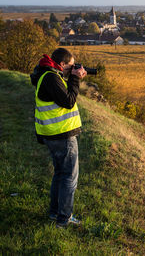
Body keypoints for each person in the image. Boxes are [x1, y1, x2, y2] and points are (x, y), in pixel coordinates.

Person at [30, 48, 87, 228]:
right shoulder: (52, 78)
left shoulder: (46, 74)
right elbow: (69, 101)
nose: (72, 69)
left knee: (60, 174)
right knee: (69, 177)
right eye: (70, 66)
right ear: (61, 64)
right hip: (61, 135)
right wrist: (75, 79)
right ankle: (64, 218)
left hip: (52, 133)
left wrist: (71, 76)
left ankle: (55, 212)